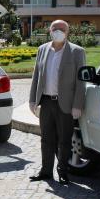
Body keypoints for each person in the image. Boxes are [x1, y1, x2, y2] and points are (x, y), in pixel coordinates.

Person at [28, 20, 86, 184]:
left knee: (64, 140)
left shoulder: (77, 52)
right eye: (55, 29)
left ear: (68, 32)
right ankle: (46, 171)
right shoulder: (43, 49)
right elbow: (36, 76)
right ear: (50, 30)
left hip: (65, 104)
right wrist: (33, 100)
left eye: (62, 29)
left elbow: (81, 81)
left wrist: (77, 104)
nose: (58, 31)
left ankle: (63, 171)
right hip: (46, 102)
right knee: (46, 139)